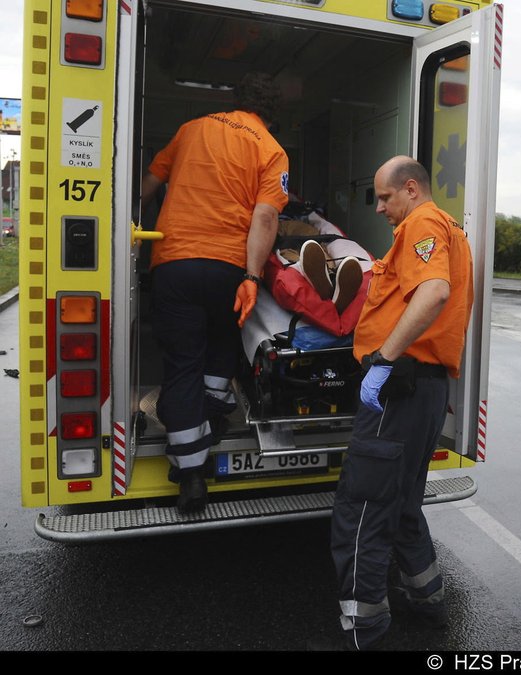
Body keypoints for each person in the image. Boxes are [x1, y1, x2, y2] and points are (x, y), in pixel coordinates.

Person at [326, 155, 474, 651]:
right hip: (425, 389)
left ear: (411, 188)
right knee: (403, 505)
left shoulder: (424, 223)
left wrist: (384, 360)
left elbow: (432, 292)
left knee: (363, 509)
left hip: (400, 388)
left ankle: (362, 632)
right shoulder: (450, 228)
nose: (381, 207)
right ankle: (429, 601)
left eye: (386, 197)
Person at [140, 72, 289, 513]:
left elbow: (148, 184)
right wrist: (252, 276)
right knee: (226, 336)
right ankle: (213, 411)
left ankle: (191, 474)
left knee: (183, 362)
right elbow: (264, 219)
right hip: (227, 266)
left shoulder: (192, 130)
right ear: (270, 114)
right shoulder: (271, 149)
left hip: (175, 262)